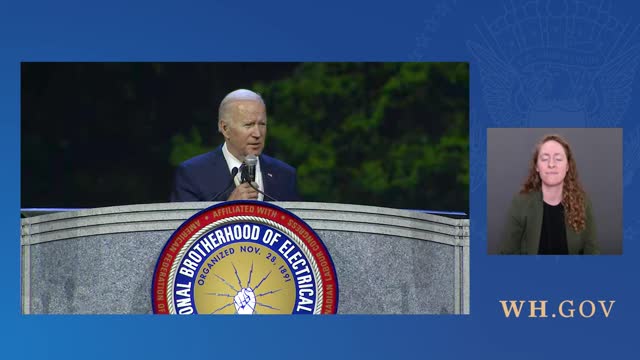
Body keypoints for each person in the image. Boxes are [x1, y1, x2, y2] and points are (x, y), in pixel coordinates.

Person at [170, 89, 300, 202]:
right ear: (225, 128)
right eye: (248, 125)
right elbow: (185, 229)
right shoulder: (193, 174)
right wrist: (228, 209)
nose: (257, 133)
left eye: (262, 124)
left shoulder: (285, 175)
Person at [499, 134, 598, 255]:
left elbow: (592, 251)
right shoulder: (520, 203)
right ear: (537, 166)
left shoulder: (583, 202)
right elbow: (506, 253)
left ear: (567, 166)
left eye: (558, 159)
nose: (551, 164)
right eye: (545, 159)